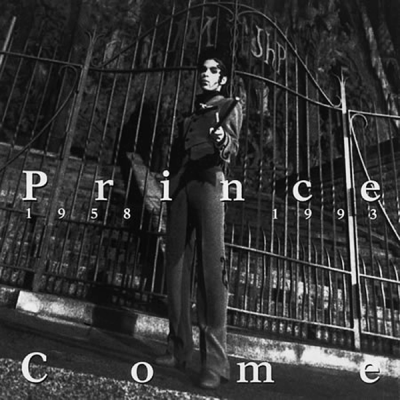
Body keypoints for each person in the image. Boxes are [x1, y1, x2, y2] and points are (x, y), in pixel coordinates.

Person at [155, 49, 242, 389]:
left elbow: (231, 148)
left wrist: (222, 140)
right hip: (181, 188)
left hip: (209, 185)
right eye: (203, 69)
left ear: (222, 77)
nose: (206, 74)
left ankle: (214, 364)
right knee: (175, 266)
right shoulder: (189, 115)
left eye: (213, 70)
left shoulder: (230, 106)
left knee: (210, 272)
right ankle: (178, 347)